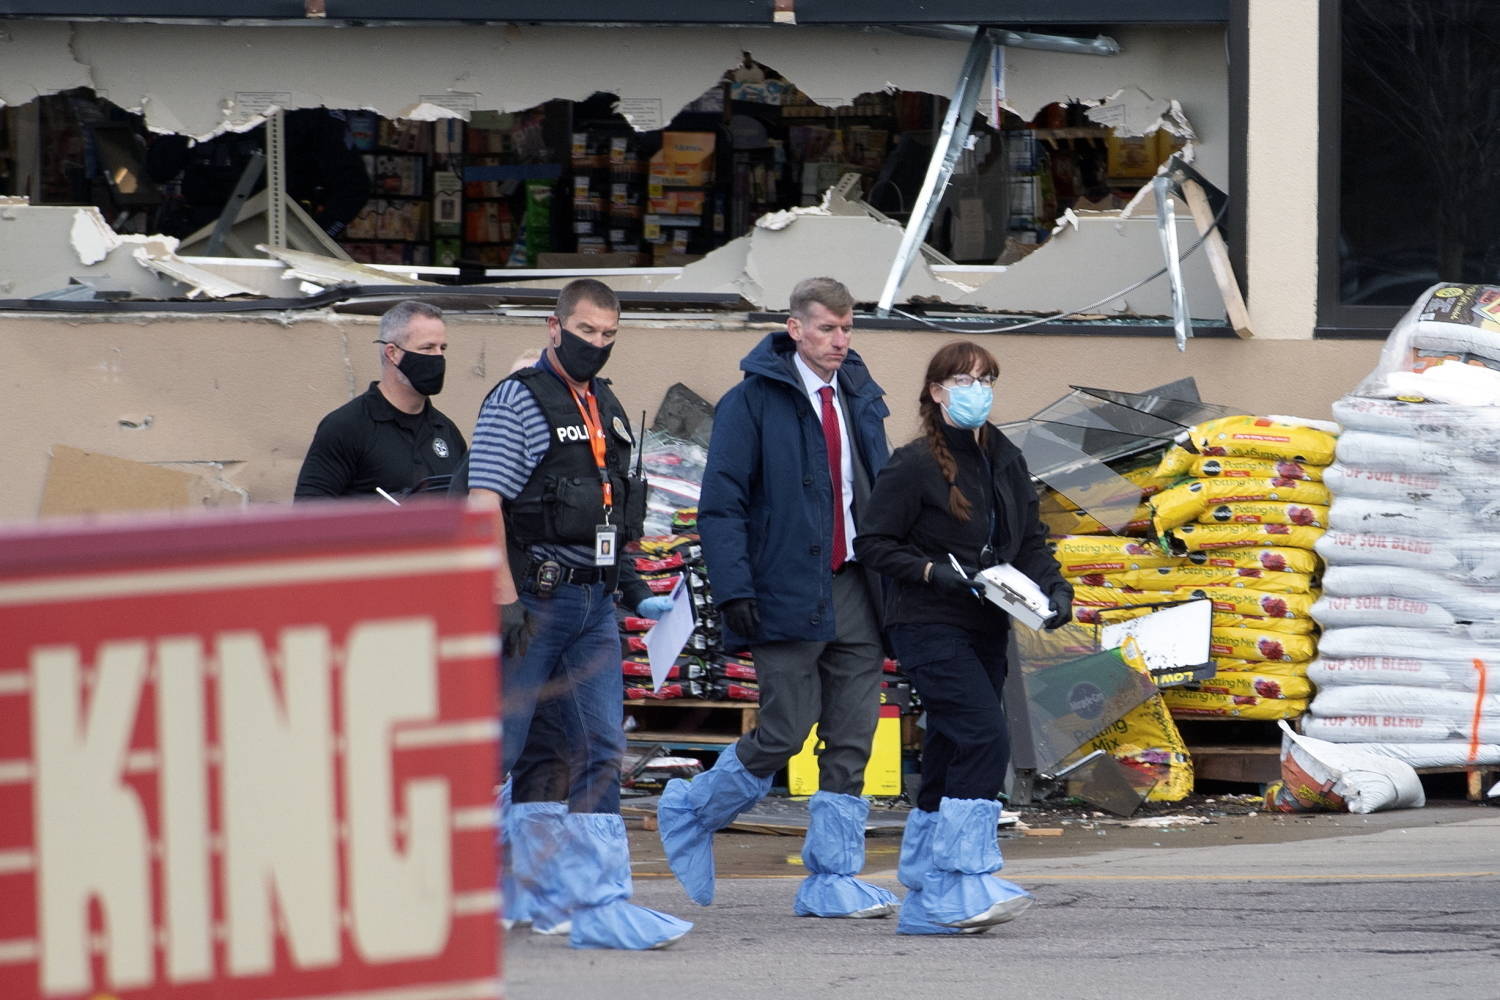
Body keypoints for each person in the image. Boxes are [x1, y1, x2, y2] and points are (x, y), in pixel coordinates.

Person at [658, 276, 898, 919]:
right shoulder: (751, 402)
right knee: (785, 731)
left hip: (855, 586)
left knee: (853, 735)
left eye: (848, 328)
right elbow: (721, 505)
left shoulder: (860, 395)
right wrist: (735, 588)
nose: (840, 340)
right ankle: (692, 808)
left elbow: (877, 489)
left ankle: (832, 877)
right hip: (784, 590)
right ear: (795, 329)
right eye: (827, 328)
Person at [466, 278, 690, 950]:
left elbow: (610, 513)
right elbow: (483, 508)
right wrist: (504, 603)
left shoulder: (607, 405)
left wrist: (633, 589)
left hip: (591, 603)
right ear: (554, 326)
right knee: (498, 752)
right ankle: (459, 892)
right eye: (586, 331)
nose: (596, 344)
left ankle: (591, 901)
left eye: (608, 335)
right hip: (532, 598)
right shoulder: (517, 402)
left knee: (594, 749)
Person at [853, 340, 1073, 935]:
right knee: (985, 737)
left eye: (986, 379)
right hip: (926, 621)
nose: (977, 391)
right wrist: (934, 572)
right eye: (963, 381)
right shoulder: (913, 464)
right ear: (936, 392)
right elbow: (872, 544)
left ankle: (925, 881)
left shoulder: (1004, 456)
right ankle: (962, 877)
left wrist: (1054, 591)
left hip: (987, 621)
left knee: (953, 743)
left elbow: (1030, 539)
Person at [293, 299, 465, 499]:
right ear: (392, 353)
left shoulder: (447, 431)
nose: (438, 357)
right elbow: (309, 507)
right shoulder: (346, 426)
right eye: (427, 348)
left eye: (442, 348)